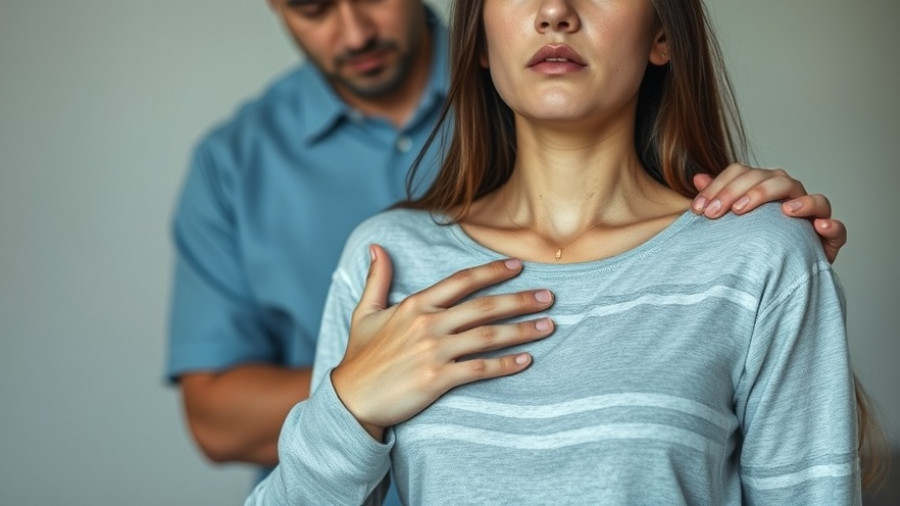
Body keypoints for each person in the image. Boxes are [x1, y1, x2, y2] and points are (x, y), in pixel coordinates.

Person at [168, 0, 847, 495]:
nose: (554, 11)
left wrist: (782, 260)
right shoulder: (381, 257)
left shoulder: (765, 253)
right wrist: (349, 404)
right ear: (481, 41)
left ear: (663, 33)